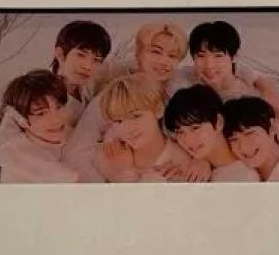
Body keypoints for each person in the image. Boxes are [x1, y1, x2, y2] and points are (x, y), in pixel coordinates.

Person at [64, 22, 195, 181]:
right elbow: (76, 151)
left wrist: (201, 162)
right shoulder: (116, 94)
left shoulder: (179, 96)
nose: (163, 61)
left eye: (172, 56)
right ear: (139, 53)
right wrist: (103, 186)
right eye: (156, 52)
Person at [175, 20, 279, 124]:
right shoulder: (185, 77)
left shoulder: (252, 100)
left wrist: (269, 89)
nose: (209, 65)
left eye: (218, 56)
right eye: (201, 56)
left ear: (233, 57)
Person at [92, 75, 192, 183]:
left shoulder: (181, 162)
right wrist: (124, 169)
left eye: (135, 116)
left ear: (158, 110)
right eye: (118, 121)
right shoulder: (106, 158)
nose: (128, 129)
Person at [0, 70, 79, 183]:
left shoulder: (76, 135)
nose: (56, 119)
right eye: (41, 113)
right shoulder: (17, 161)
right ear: (20, 119)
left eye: (59, 107)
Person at [163, 85, 258, 182]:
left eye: (195, 128)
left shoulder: (243, 177)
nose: (188, 140)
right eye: (179, 132)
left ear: (219, 122)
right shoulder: (192, 164)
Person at [49, 20, 112, 123]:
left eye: (96, 60)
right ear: (60, 54)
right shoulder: (45, 99)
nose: (88, 66)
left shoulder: (89, 86)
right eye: (81, 55)